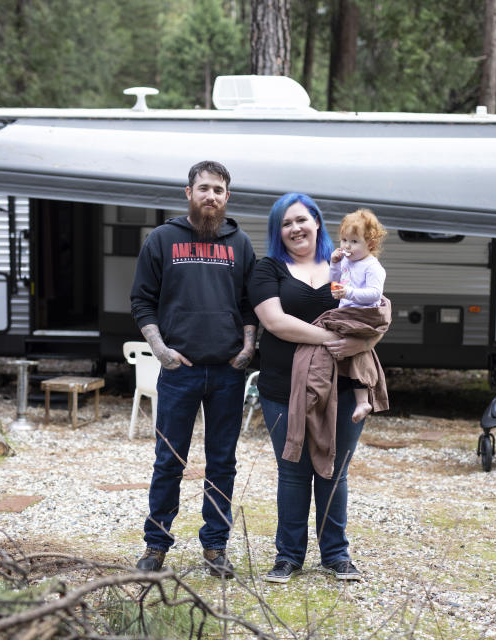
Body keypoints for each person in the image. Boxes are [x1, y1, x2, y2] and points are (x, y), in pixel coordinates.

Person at [129, 160, 257, 578]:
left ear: (227, 197)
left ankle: (216, 547)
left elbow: (248, 304)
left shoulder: (241, 244)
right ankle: (156, 545)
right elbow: (142, 300)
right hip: (179, 371)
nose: (211, 197)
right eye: (204, 188)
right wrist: (161, 350)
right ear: (188, 193)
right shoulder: (163, 239)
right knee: (169, 460)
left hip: (226, 372)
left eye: (218, 190)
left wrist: (248, 347)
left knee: (222, 462)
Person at [249, 192, 384, 584]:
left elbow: (374, 315)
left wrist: (363, 343)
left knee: (333, 471)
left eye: (301, 220)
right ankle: (288, 557)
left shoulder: (348, 264)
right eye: (286, 223)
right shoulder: (267, 269)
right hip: (282, 388)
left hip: (342, 386)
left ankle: (336, 556)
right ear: (278, 231)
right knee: (292, 472)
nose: (295, 228)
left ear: (318, 222)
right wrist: (331, 338)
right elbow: (275, 323)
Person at [329, 208, 389, 423]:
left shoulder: (372, 266)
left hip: (364, 314)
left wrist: (349, 293)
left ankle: (363, 400)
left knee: (357, 351)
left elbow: (374, 294)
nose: (346, 246)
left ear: (370, 244)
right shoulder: (346, 261)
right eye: (344, 240)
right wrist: (334, 264)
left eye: (354, 241)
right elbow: (333, 280)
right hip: (347, 311)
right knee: (346, 349)